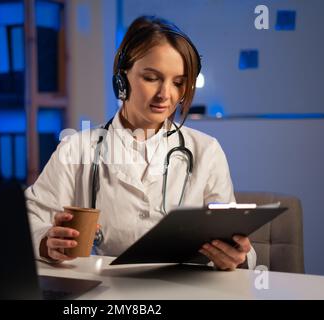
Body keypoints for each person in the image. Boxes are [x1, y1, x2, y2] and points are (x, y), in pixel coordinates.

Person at [25, 15, 256, 271]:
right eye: (151, 78)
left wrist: (237, 256)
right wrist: (48, 242)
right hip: (105, 292)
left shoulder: (206, 150)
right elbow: (28, 219)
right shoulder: (76, 149)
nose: (165, 95)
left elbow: (235, 236)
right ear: (121, 79)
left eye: (178, 83)